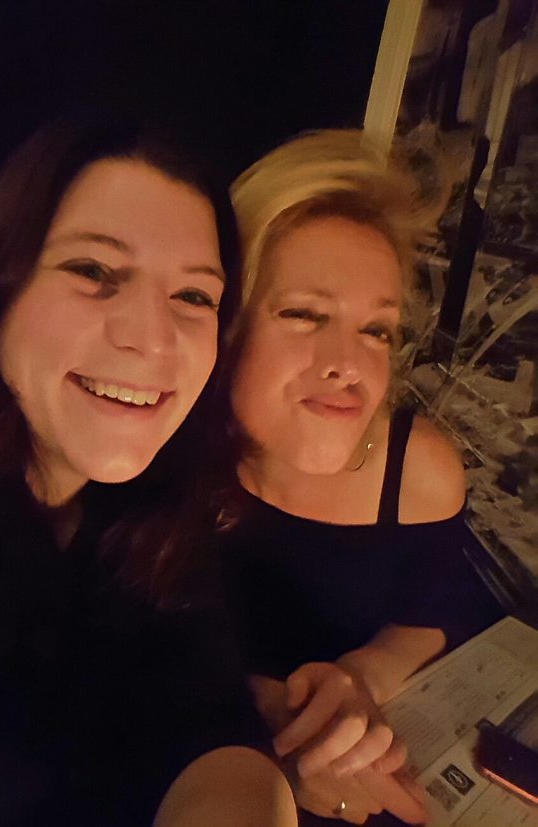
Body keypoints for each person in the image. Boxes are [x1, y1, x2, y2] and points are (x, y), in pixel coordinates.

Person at [0, 114, 298, 827]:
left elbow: (209, 721)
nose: (153, 340)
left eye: (194, 296)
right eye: (93, 271)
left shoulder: (161, 509)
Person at [218, 130, 505, 825]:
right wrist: (261, 714)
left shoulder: (418, 469)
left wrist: (358, 675)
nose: (349, 365)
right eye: (304, 314)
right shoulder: (161, 449)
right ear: (225, 322)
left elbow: (431, 616)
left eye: (376, 330)